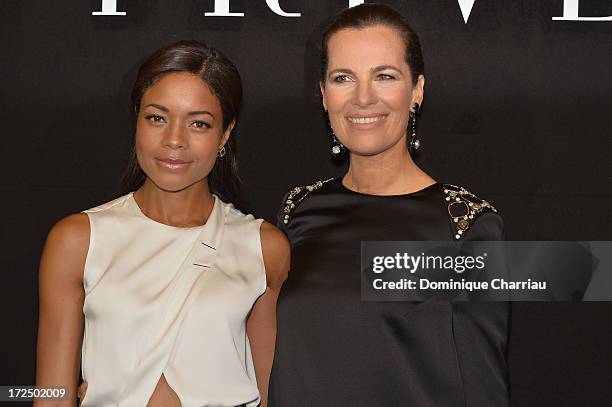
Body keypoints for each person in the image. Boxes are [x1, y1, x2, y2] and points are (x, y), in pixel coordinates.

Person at [268, 4, 508, 406]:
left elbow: (482, 388)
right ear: (325, 95)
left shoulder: (465, 225)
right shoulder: (297, 212)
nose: (363, 98)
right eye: (344, 78)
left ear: (416, 90)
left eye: (384, 76)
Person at [35, 40, 289, 407]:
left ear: (226, 134)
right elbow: (51, 397)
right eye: (157, 117)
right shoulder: (78, 239)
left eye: (199, 124)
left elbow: (271, 397)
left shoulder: (264, 247)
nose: (174, 140)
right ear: (137, 119)